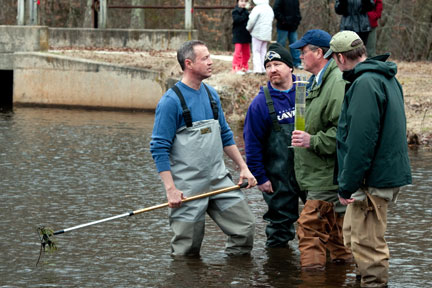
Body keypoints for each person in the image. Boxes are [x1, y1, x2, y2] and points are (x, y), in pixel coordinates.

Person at [150, 40, 256, 256]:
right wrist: (170, 189)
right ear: (188, 64)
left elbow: (225, 135)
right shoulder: (170, 102)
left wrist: (243, 167)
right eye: (205, 58)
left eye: (210, 57)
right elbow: (159, 148)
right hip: (187, 187)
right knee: (186, 249)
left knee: (244, 229)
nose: (211, 62)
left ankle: (233, 277)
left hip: (218, 180)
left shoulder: (211, 95)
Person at [324, 30, 412, 287]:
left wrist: (347, 184)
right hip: (377, 175)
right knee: (352, 237)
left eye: (334, 59)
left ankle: (372, 283)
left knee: (368, 246)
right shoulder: (384, 78)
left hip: (373, 179)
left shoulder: (364, 84)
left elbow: (361, 142)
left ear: (340, 58)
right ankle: (361, 281)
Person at [289, 29, 352, 269]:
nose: (300, 56)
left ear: (319, 52)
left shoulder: (335, 81)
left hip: (326, 177)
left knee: (309, 230)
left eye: (304, 52)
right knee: (336, 236)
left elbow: (343, 133)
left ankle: (312, 280)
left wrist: (311, 141)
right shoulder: (313, 82)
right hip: (315, 174)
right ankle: (342, 276)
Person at [243, 43, 302, 248]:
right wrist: (260, 177)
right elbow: (251, 144)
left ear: (290, 67)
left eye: (278, 64)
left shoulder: (304, 92)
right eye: (268, 66)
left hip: (307, 170)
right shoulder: (260, 103)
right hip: (277, 176)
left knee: (321, 220)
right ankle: (278, 272)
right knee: (279, 228)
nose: (272, 69)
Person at [273, 0, 303, 69]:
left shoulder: (295, 1)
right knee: (281, 45)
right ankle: (279, 62)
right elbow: (276, 10)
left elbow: (297, 11)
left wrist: (297, 21)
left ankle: (297, 63)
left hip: (293, 26)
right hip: (282, 26)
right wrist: (283, 20)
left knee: (295, 45)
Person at [246, 0, 274, 73]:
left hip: (257, 33)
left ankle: (257, 69)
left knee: (256, 51)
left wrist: (248, 28)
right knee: (263, 51)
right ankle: (264, 68)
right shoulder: (269, 9)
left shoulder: (257, 8)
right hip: (267, 34)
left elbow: (251, 20)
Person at [232, 0, 252, 74]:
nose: (243, 3)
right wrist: (246, 14)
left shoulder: (247, 12)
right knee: (238, 52)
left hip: (246, 35)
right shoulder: (235, 11)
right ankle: (236, 67)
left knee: (247, 53)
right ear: (237, 2)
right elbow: (237, 20)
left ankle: (244, 67)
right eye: (241, 1)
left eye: (245, 1)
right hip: (238, 35)